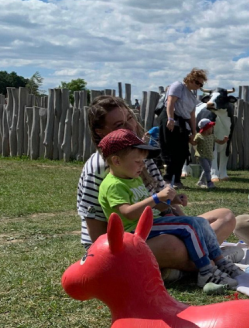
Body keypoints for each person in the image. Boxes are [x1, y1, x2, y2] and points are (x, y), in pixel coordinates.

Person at [78, 95, 236, 278]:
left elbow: (163, 200)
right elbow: (97, 232)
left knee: (225, 216)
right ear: (100, 132)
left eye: (130, 118)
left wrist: (187, 223)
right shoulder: (99, 167)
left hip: (156, 227)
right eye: (119, 125)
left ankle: (183, 265)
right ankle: (200, 262)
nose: (130, 127)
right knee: (172, 245)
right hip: (124, 241)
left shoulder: (140, 154)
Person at [97, 129, 241, 289]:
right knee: (188, 225)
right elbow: (128, 213)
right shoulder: (113, 185)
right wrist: (156, 197)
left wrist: (171, 201)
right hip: (134, 232)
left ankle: (220, 261)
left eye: (142, 161)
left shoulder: (133, 178)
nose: (142, 165)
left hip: (150, 225)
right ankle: (206, 272)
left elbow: (150, 207)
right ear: (116, 161)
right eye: (137, 161)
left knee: (199, 222)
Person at [161, 68, 206, 188]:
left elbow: (192, 114)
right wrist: (170, 118)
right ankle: (168, 180)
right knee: (172, 151)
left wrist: (194, 132)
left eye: (201, 84)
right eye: (197, 82)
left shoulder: (192, 95)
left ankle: (176, 180)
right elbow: (170, 102)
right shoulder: (178, 86)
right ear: (190, 79)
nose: (198, 86)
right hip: (172, 119)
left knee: (182, 152)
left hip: (182, 123)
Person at [191, 118, 215, 189]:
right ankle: (209, 182)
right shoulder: (199, 135)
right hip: (201, 156)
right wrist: (190, 139)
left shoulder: (211, 136)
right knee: (207, 170)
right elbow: (194, 143)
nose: (212, 128)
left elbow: (218, 141)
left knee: (206, 169)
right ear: (206, 128)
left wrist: (224, 141)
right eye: (211, 127)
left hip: (209, 155)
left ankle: (201, 181)